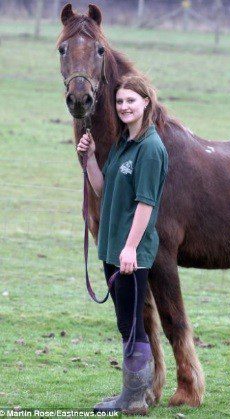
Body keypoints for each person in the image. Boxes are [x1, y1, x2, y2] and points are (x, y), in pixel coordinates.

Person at [76, 74, 168, 414]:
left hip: (131, 253)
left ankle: (133, 399)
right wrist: (89, 160)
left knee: (132, 324)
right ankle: (131, 396)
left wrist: (130, 248)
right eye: (119, 102)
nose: (124, 106)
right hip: (113, 249)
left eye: (131, 100)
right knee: (125, 322)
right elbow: (104, 190)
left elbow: (146, 203)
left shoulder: (151, 148)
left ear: (146, 103)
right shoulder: (122, 144)